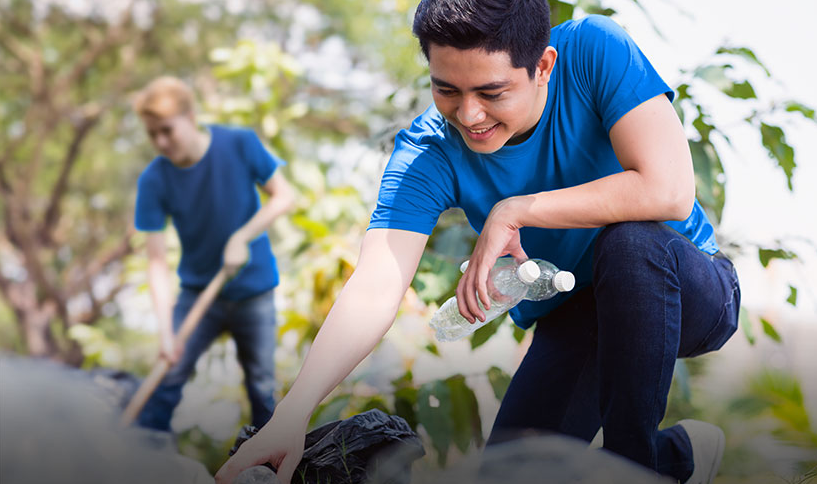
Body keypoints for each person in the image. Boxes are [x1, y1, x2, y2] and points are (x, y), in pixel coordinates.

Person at [216, 1, 740, 483]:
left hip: (686, 285)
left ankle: (636, 470)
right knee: (509, 474)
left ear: (543, 66)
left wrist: (514, 209)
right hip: (578, 318)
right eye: (447, 90)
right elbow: (376, 285)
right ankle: (678, 459)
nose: (469, 115)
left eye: (491, 93)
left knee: (628, 244)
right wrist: (291, 415)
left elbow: (667, 189)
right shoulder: (429, 152)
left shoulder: (595, 50)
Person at [132, 76, 295, 432]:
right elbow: (156, 262)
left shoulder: (239, 143)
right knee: (165, 383)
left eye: (167, 130)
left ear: (189, 117)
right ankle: (144, 459)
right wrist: (165, 333)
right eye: (152, 134)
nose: (160, 142)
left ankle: (265, 469)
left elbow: (284, 196)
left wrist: (242, 237)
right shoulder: (154, 180)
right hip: (197, 295)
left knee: (261, 390)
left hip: (253, 292)